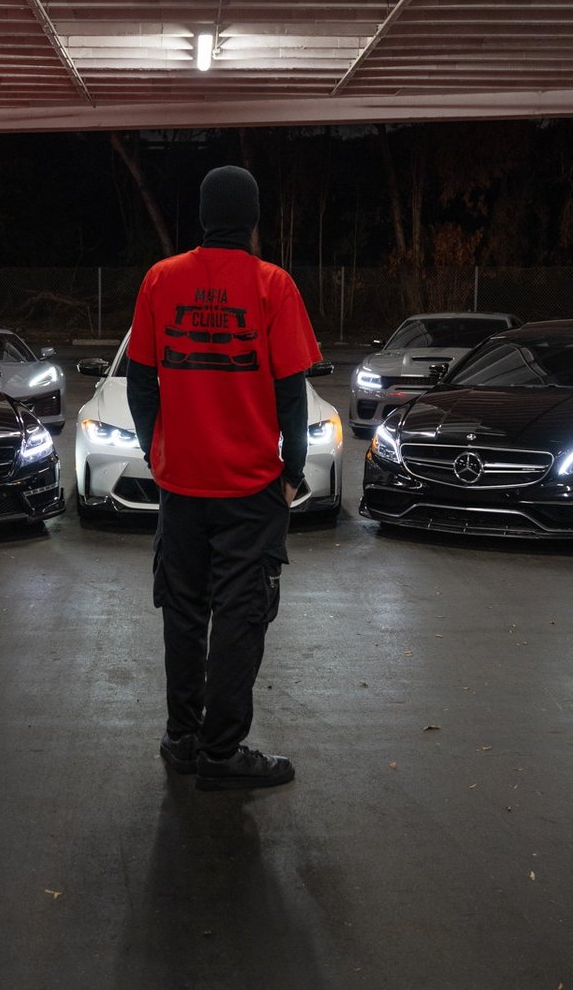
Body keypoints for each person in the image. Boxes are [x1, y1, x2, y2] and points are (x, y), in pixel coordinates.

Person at [127, 165, 320, 791]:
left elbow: (140, 380)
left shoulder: (161, 279)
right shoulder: (273, 285)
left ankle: (182, 738)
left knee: (182, 610)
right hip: (250, 488)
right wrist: (291, 472)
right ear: (253, 219)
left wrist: (156, 452)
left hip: (181, 486)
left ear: (204, 216)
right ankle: (221, 752)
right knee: (241, 616)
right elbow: (291, 392)